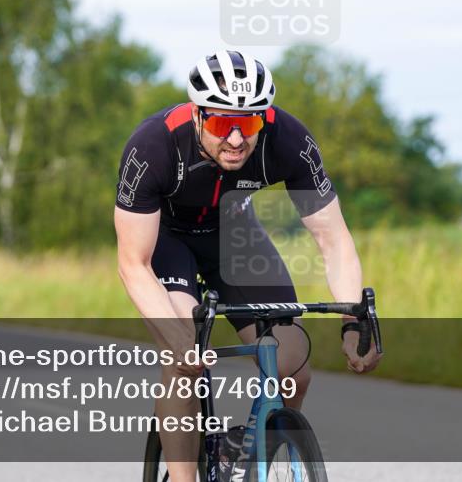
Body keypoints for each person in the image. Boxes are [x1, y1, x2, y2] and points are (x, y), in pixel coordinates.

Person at [115, 49, 380, 482]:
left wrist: (354, 322)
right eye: (222, 124)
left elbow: (333, 239)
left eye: (250, 123)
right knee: (185, 359)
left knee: (293, 364)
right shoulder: (154, 145)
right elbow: (132, 263)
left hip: (233, 235)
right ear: (198, 116)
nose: (236, 139)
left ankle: (257, 446)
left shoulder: (289, 139)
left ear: (264, 119)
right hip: (166, 239)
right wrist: (181, 339)